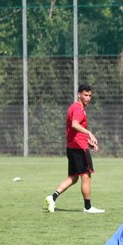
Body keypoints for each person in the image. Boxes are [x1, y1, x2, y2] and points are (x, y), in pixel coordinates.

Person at [45, 84, 105, 214]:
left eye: (90, 95)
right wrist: (89, 132)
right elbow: (74, 125)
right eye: (85, 95)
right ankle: (88, 207)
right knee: (86, 176)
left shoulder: (74, 107)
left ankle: (52, 197)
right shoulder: (78, 108)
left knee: (73, 178)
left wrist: (89, 142)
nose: (88, 98)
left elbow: (75, 132)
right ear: (79, 95)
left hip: (72, 147)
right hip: (79, 149)